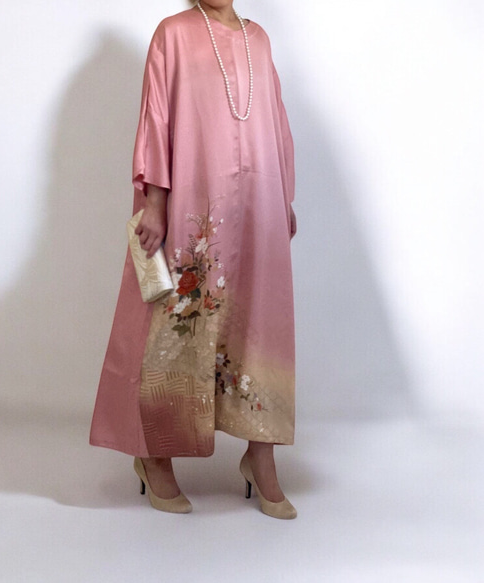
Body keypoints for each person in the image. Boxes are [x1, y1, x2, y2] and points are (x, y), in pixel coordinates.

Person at [89, 0, 298, 519]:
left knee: (259, 323)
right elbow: (157, 118)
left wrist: (284, 199)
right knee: (173, 326)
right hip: (194, 204)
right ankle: (154, 455)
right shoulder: (174, 34)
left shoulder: (259, 39)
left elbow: (276, 124)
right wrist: (155, 203)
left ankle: (261, 455)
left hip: (258, 207)